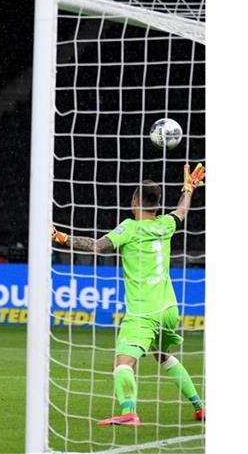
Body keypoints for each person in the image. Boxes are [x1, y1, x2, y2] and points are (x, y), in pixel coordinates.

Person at [51, 163, 206, 426]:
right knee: (162, 355)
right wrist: (188, 188)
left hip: (143, 312)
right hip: (168, 308)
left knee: (122, 363)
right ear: (157, 205)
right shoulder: (165, 224)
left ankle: (128, 411)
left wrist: (61, 237)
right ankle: (200, 407)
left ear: (134, 200)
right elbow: (181, 210)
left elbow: (98, 246)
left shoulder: (129, 228)